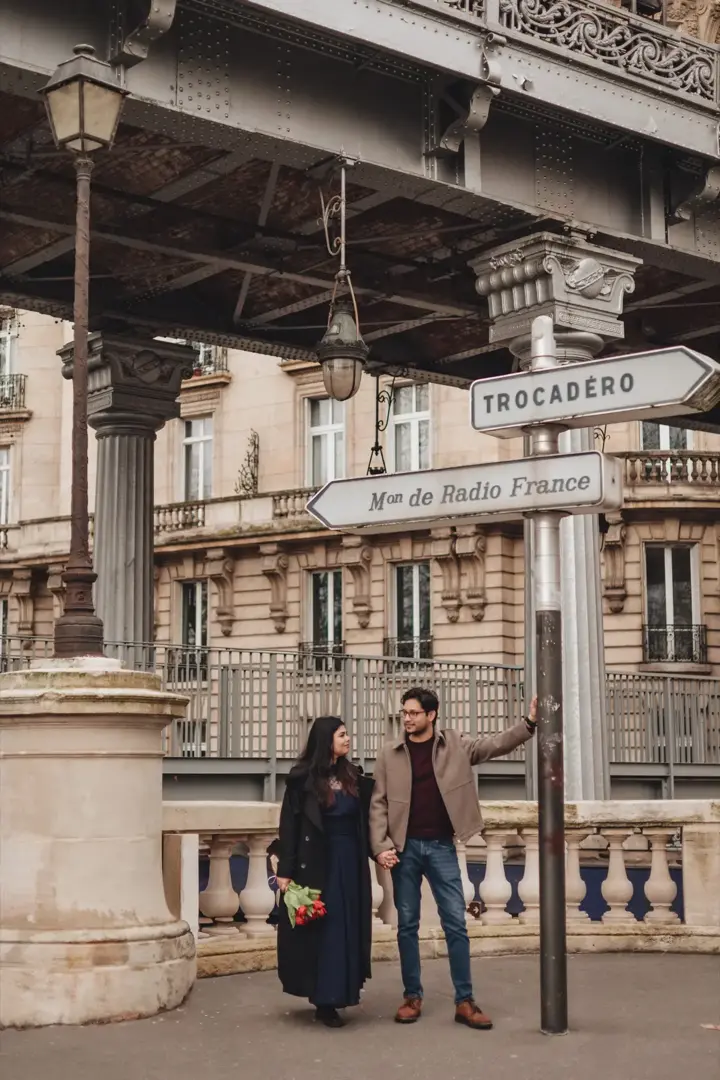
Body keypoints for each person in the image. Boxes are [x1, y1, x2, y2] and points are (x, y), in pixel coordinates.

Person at [369, 686, 537, 1030]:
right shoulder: (389, 753)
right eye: (404, 712)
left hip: (442, 846)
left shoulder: (455, 744)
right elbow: (378, 803)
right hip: (403, 849)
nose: (407, 718)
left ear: (431, 715)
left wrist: (529, 724)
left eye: (414, 713)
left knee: (456, 925)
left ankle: (465, 1001)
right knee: (407, 926)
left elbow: (495, 745)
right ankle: (412, 996)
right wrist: (380, 844)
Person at [276, 716, 374, 1028]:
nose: (347, 740)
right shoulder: (302, 779)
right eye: (342, 735)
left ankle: (344, 990)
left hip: (350, 860)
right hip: (318, 860)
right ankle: (325, 999)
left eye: (347, 734)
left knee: (348, 926)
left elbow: (370, 817)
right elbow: (290, 827)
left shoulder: (353, 776)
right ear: (326, 740)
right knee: (325, 928)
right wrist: (285, 870)